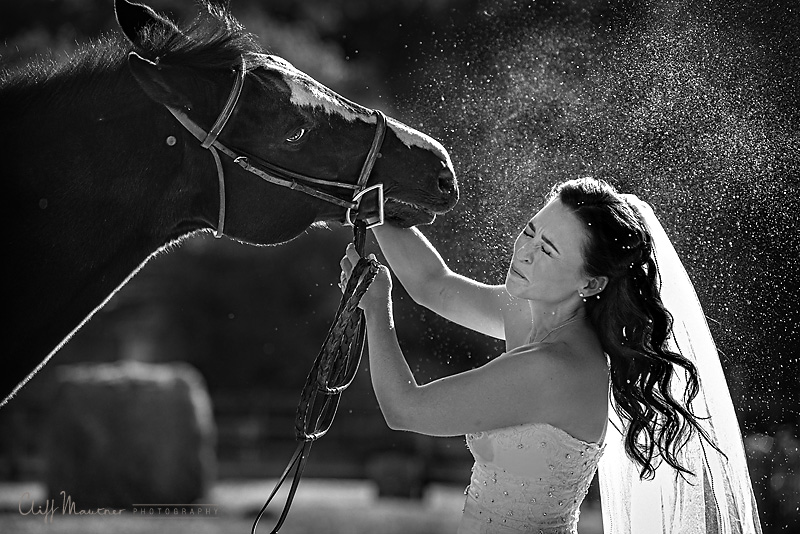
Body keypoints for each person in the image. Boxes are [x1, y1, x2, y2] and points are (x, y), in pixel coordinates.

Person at [339, 177, 761, 534]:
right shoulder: (526, 311)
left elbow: (405, 410)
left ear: (592, 284)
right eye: (529, 232)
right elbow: (434, 284)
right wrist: (369, 204)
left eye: (549, 250)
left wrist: (376, 309)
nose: (525, 253)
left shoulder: (554, 367)